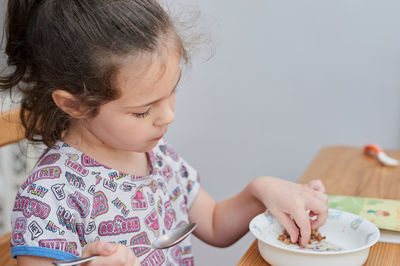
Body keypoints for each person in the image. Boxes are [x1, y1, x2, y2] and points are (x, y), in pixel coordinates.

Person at [1, 0, 328, 265]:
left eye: (171, 93)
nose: (168, 116)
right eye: (143, 110)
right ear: (75, 105)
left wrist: (260, 192)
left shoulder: (159, 157)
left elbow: (213, 223)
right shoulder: (49, 193)